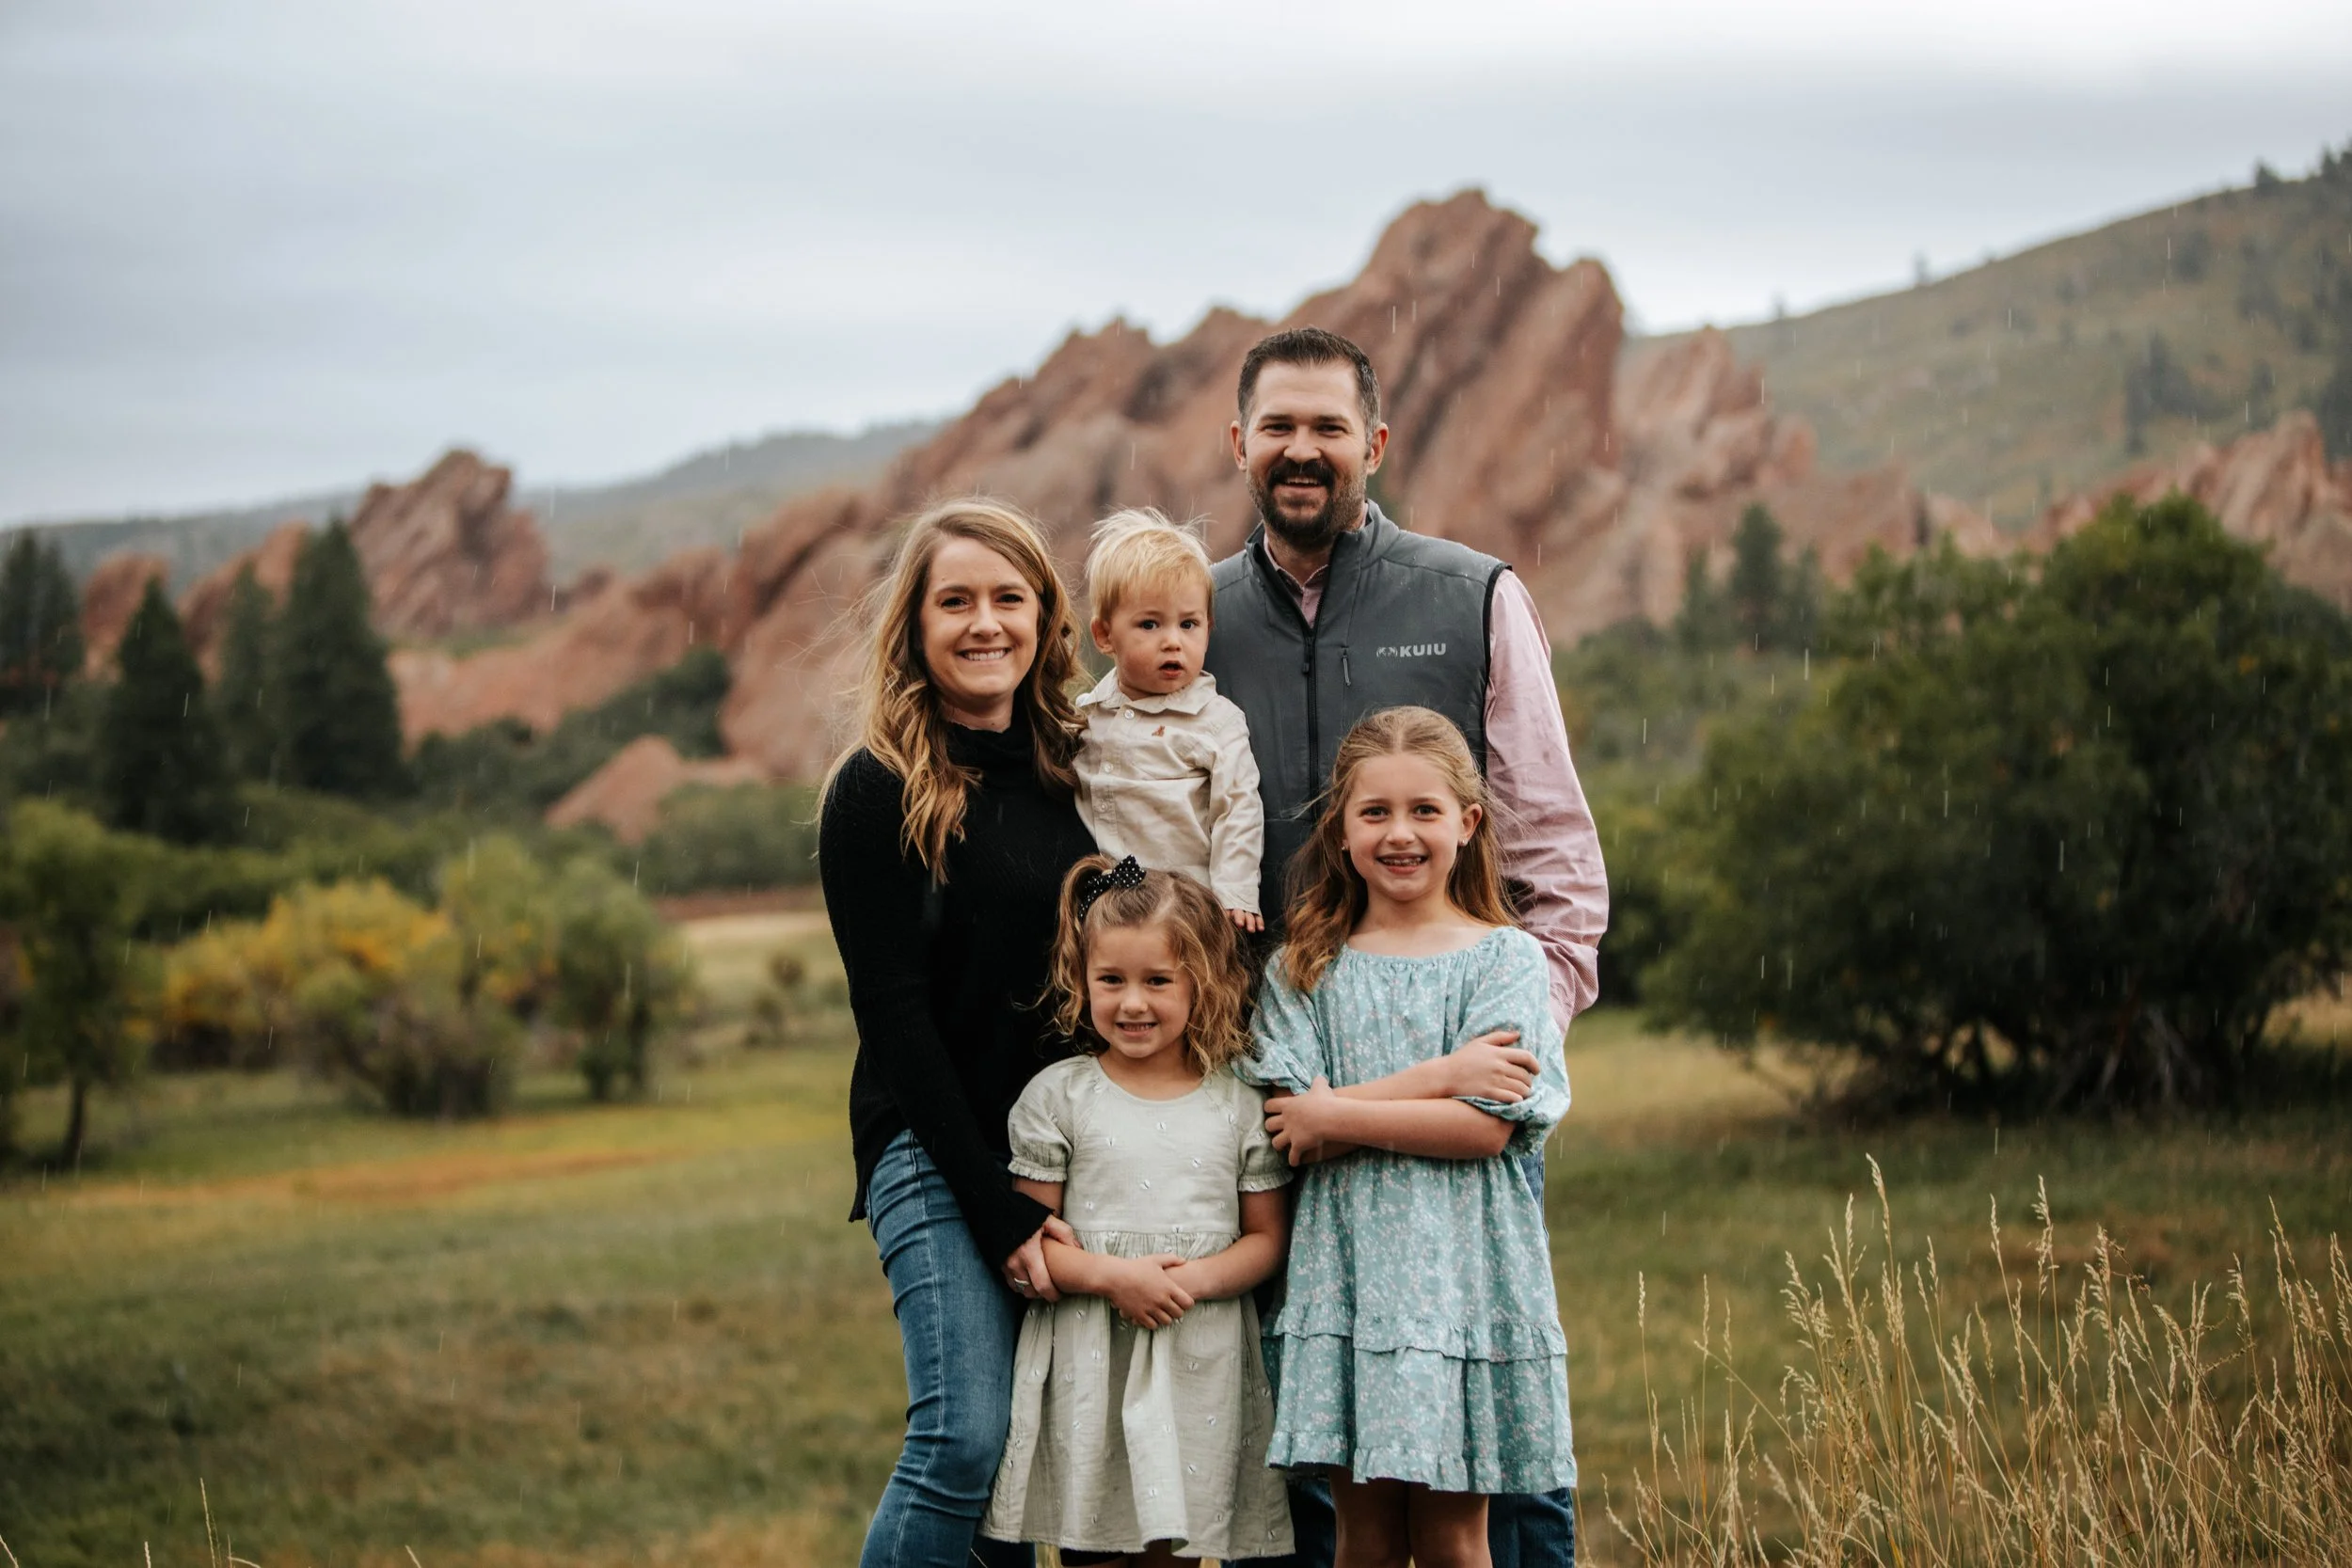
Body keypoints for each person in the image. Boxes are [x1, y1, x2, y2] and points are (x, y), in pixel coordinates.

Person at [1206, 326, 1606, 1567]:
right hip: (1278, 1083)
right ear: (1240, 445)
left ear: (1375, 443)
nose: (1302, 449)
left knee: (1496, 1465)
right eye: (1279, 426)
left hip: (1463, 1104)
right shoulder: (1195, 617)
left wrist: (1507, 1033)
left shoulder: (1472, 593)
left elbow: (1555, 848)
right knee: (1323, 1449)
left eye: (1329, 426)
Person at [819, 497, 1102, 1568]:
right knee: (963, 1436)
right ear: (916, 625)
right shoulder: (878, 786)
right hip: (936, 1152)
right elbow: (890, 1014)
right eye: (955, 601)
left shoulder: (1077, 771)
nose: (984, 623)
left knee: (1029, 1471)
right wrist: (996, 1213)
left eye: (1007, 598)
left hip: (1066, 1152)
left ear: (1042, 616)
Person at [1242, 707, 1574, 1568]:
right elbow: (1292, 1131)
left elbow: (1483, 1131)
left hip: (1463, 1279)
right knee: (1364, 1536)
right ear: (1341, 829)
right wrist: (1439, 1074)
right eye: (1375, 812)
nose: (1400, 833)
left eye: (1425, 811)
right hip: (1347, 1278)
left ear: (1468, 822)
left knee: (1456, 1536)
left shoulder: (1505, 960)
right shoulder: (1303, 966)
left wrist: (1337, 1114)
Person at [982, 854, 1296, 1564]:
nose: (1133, 1003)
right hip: (1093, 1354)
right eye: (1111, 980)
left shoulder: (1239, 1105)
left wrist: (1185, 1284)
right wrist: (1118, 1278)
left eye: (1158, 981)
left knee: (1177, 1547)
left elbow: (1266, 1238)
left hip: (1198, 1355)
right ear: (1082, 980)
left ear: (1202, 981)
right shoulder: (1058, 1099)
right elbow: (1035, 1246)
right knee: (1095, 1545)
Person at [1073, 509, 1266, 931]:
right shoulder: (1088, 717)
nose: (1173, 642)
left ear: (1208, 629)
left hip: (1190, 912)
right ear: (1105, 635)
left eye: (1189, 624)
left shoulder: (1215, 721)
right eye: (1149, 624)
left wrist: (1234, 893)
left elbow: (1238, 809)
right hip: (1105, 912)